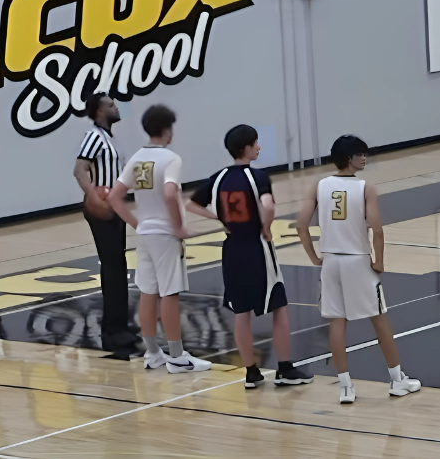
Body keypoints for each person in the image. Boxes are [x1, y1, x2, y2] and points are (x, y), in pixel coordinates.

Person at [297, 135, 421, 404]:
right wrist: (380, 261)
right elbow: (376, 228)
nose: (364, 158)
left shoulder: (318, 186)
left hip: (330, 262)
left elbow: (301, 225)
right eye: (360, 154)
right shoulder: (366, 188)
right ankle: (397, 380)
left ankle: (345, 386)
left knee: (336, 323)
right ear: (349, 158)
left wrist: (314, 257)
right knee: (379, 319)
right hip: (357, 261)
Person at [187, 124, 313, 389]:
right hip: (257, 247)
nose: (259, 147)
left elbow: (191, 204)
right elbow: (268, 206)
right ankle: (284, 369)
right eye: (255, 143)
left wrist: (220, 219)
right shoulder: (258, 177)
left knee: (241, 312)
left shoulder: (218, 178)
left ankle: (251, 373)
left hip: (232, 249)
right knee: (278, 306)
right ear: (245, 147)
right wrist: (266, 228)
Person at [108, 105, 212, 373]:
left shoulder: (137, 158)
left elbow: (114, 196)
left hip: (145, 234)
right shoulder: (171, 159)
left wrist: (136, 224)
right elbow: (169, 193)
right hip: (165, 235)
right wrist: (178, 227)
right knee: (169, 293)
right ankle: (177, 357)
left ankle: (153, 353)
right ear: (167, 129)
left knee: (148, 292)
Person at [73, 92, 137, 352]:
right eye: (111, 105)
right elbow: (79, 170)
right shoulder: (93, 137)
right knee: (112, 268)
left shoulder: (109, 137)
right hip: (102, 208)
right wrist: (94, 198)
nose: (117, 107)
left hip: (115, 207)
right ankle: (112, 331)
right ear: (99, 111)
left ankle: (120, 325)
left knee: (118, 266)